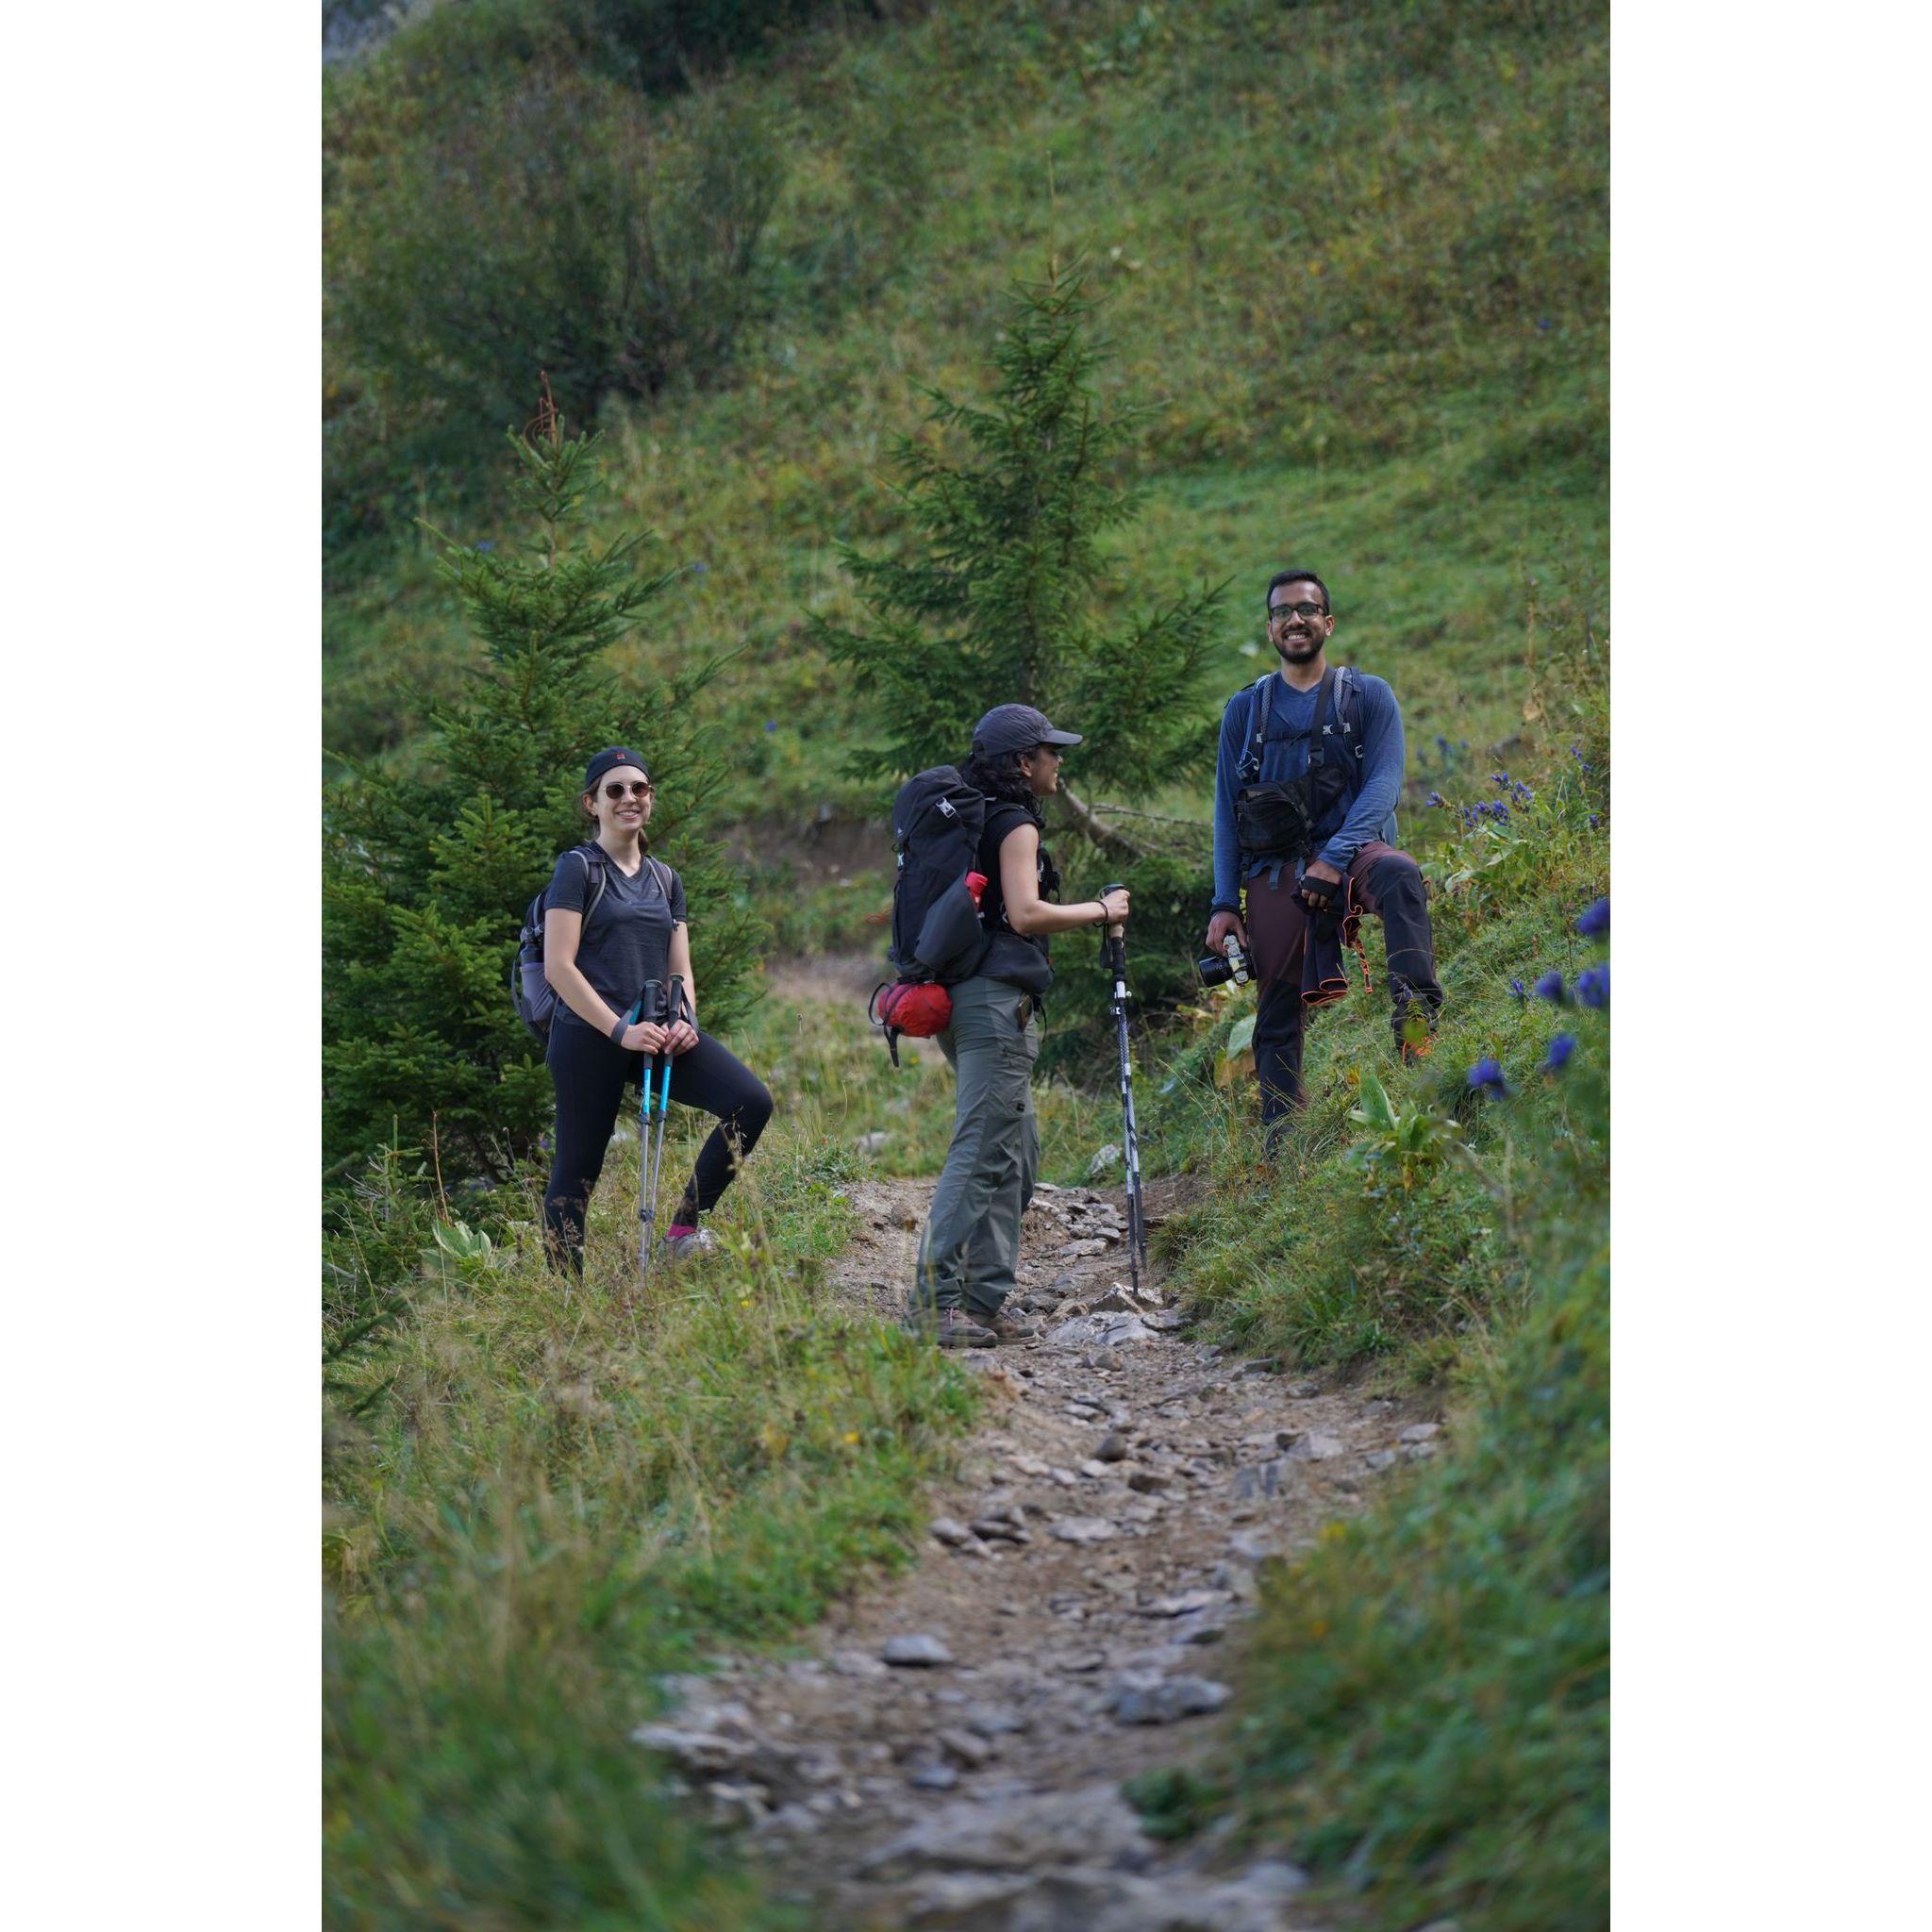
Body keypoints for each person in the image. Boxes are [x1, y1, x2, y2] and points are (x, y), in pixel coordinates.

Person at [910, 705, 1132, 1348]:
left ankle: (980, 1300)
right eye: (1049, 752)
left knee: (1017, 1148)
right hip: (993, 1007)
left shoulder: (971, 817)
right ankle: (934, 1302)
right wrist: (1102, 909)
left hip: (967, 1000)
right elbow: (1026, 913)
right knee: (982, 1147)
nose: (1059, 761)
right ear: (1021, 763)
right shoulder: (1011, 823)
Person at [1206, 570, 1442, 1149]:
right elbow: (1225, 813)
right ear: (1270, 629)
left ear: (1328, 623)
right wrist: (1223, 903)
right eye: (1284, 612)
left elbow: (1384, 786)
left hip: (1356, 852)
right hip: (1275, 872)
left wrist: (1335, 859)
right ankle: (1281, 1137)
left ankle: (1417, 1030)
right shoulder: (1246, 712)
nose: (1296, 620)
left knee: (1401, 874)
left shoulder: (1367, 696)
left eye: (1308, 610)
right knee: (1276, 1011)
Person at [541, 746, 774, 1274]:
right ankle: (564, 1296)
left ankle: (681, 1232)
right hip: (589, 1034)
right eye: (615, 790)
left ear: (650, 799)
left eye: (639, 789)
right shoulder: (576, 869)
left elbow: (679, 968)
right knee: (578, 1168)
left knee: (749, 1102)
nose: (629, 798)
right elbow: (559, 967)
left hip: (657, 1032)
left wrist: (684, 1020)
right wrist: (620, 1031)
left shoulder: (665, 878)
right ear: (591, 804)